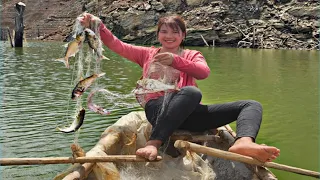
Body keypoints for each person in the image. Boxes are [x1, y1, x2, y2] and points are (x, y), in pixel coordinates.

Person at [78, 13, 280, 163]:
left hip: (190, 114)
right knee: (192, 92)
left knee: (250, 105)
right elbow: (117, 45)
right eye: (164, 31)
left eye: (175, 32)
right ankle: (154, 143)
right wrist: (98, 25)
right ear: (158, 35)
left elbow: (203, 72)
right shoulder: (146, 54)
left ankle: (243, 142)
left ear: (183, 35)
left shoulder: (191, 55)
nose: (169, 36)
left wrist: (176, 61)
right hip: (158, 110)